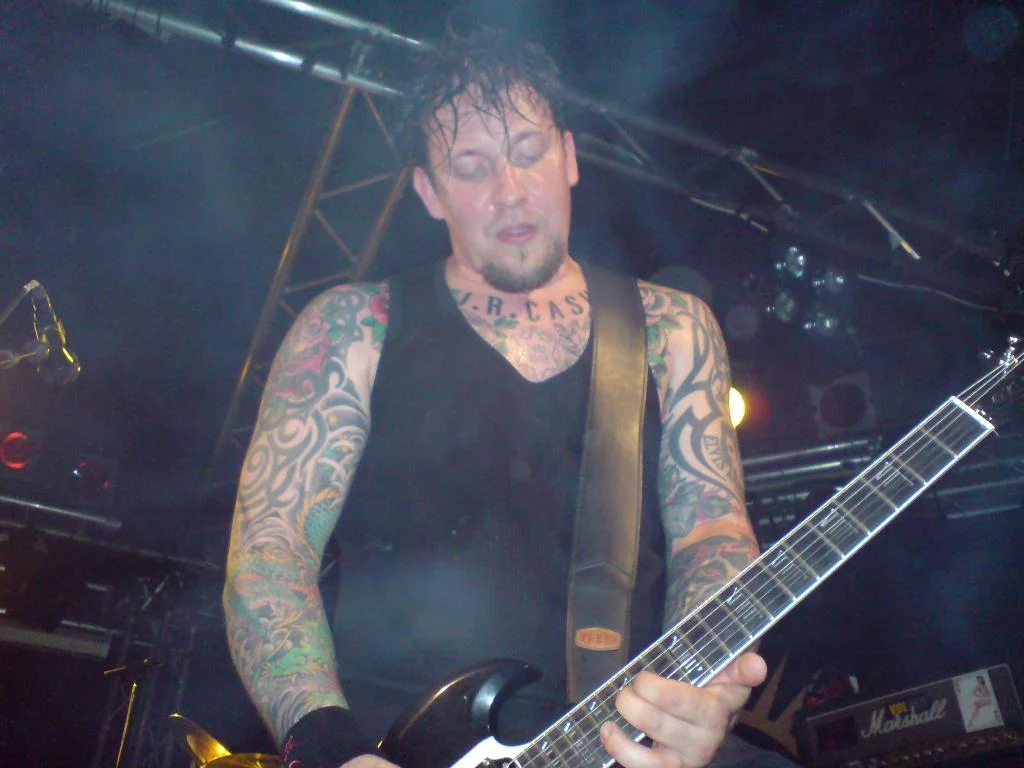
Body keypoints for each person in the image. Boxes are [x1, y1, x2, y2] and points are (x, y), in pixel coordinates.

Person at [224, 28, 785, 768]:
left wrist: (700, 696)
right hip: (394, 746)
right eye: (472, 167)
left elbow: (711, 535)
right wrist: (328, 747)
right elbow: (271, 551)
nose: (510, 190)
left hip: (612, 740)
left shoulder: (672, 329)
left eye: (529, 151)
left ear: (570, 157)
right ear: (429, 191)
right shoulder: (353, 328)